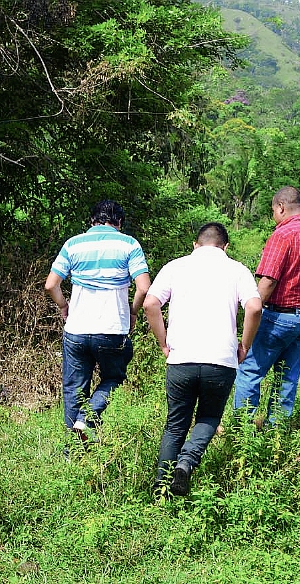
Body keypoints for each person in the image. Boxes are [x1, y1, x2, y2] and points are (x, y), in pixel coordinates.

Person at [144, 222, 262, 497]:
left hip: (181, 357)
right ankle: (185, 464)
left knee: (176, 424)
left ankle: (161, 489)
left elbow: (150, 303)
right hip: (220, 360)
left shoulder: (175, 267)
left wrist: (163, 342)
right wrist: (244, 345)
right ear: (226, 247)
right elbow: (255, 307)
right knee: (208, 417)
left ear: (195, 245)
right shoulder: (237, 270)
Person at [44, 200, 151, 443]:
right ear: (119, 223)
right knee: (114, 378)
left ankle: (72, 452)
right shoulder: (129, 244)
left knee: (74, 390)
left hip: (76, 330)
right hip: (112, 330)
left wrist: (64, 306)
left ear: (91, 221)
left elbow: (51, 284)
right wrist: (133, 312)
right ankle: (88, 418)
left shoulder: (73, 244)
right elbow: (144, 288)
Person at [233, 186, 300, 424]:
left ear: (281, 207)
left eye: (273, 211)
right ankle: (276, 431)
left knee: (250, 371)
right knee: (287, 377)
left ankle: (241, 432)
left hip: (277, 318)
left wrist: (251, 311)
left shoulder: (282, 235)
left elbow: (268, 281)